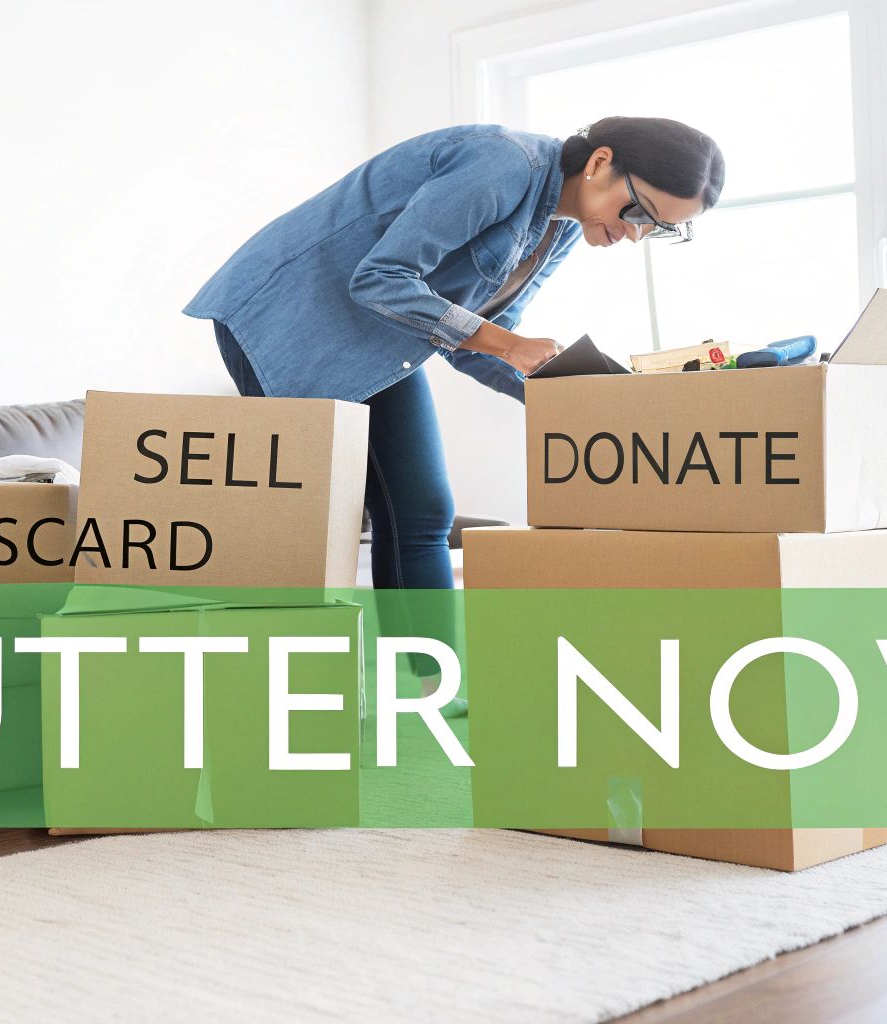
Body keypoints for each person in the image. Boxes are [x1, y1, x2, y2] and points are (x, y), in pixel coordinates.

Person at [183, 118, 726, 712]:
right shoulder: (502, 166)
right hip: (287, 317)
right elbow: (383, 278)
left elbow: (484, 336)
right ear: (600, 162)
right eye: (640, 211)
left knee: (422, 506)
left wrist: (560, 394)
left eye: (660, 229)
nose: (634, 235)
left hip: (378, 333)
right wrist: (504, 344)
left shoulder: (562, 229)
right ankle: (286, 692)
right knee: (311, 517)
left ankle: (431, 685)